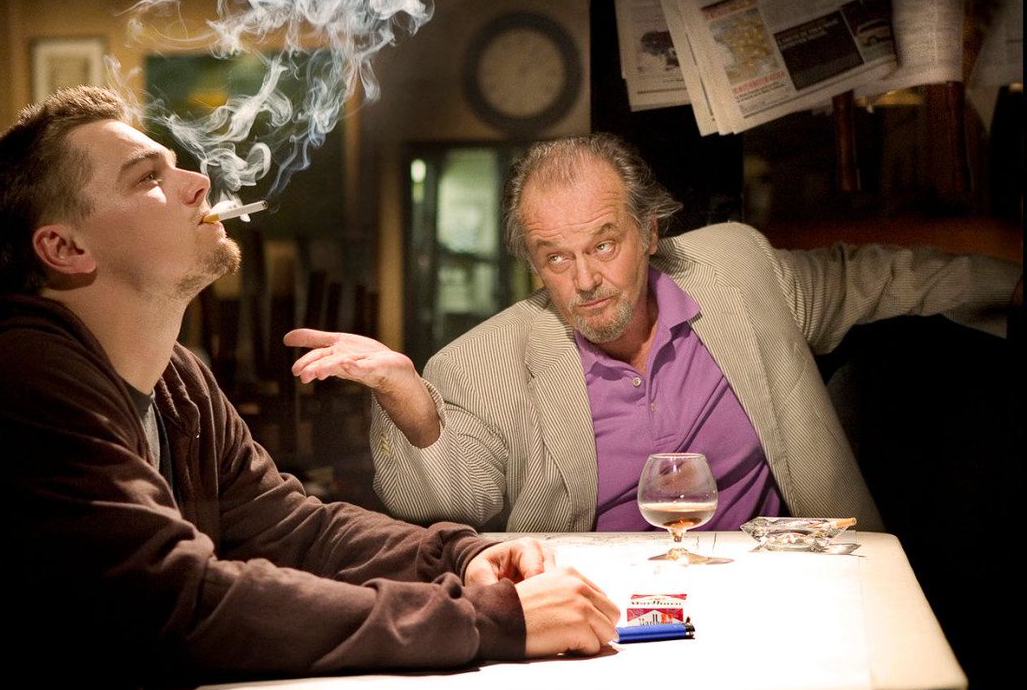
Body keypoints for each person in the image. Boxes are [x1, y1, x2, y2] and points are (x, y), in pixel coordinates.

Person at [0, 87, 621, 690]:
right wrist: (483, 619)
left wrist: (463, 553)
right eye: (147, 178)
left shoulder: (177, 380)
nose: (197, 184)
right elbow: (183, 604)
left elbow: (298, 531)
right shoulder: (16, 383)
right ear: (65, 248)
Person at [285, 132, 1022, 534]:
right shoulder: (480, 363)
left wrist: (1012, 287)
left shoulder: (737, 272)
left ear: (650, 231)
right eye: (556, 257)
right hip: (603, 621)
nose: (585, 279)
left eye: (604, 244)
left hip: (788, 589)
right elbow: (450, 507)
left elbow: (875, 277)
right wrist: (409, 399)